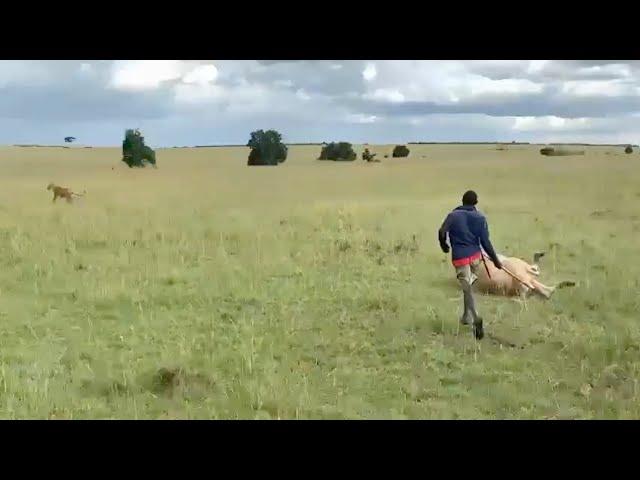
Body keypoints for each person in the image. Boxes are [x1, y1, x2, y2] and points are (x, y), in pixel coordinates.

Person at [438, 190, 502, 339]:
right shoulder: (480, 218)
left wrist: (444, 245)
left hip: (460, 257)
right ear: (476, 203)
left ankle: (475, 317)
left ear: (462, 200)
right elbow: (485, 242)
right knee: (468, 287)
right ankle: (466, 316)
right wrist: (495, 260)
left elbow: (442, 231)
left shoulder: (453, 216)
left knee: (467, 288)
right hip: (475, 257)